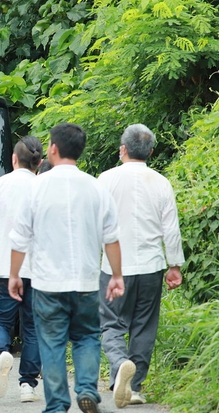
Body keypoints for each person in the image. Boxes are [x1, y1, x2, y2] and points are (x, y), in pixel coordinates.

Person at [8, 123, 125, 413]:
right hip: (86, 282)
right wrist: (117, 275)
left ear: (54, 149)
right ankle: (86, 389)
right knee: (86, 337)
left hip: (48, 284)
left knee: (52, 343)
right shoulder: (95, 187)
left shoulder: (36, 188)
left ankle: (58, 405)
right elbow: (112, 238)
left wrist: (14, 275)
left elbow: (19, 238)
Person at [98, 124, 184, 407]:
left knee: (111, 323)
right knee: (144, 327)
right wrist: (174, 265)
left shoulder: (105, 180)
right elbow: (170, 229)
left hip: (113, 267)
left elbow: (93, 224)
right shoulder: (161, 182)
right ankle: (133, 387)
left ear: (122, 149)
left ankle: (121, 363)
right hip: (150, 265)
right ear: (151, 151)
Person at [0, 136, 43, 402]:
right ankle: (28, 385)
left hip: (4, 268)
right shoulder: (43, 187)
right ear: (40, 162)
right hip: (38, 270)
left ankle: (2, 352)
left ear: (14, 159)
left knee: (0, 320)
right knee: (34, 327)